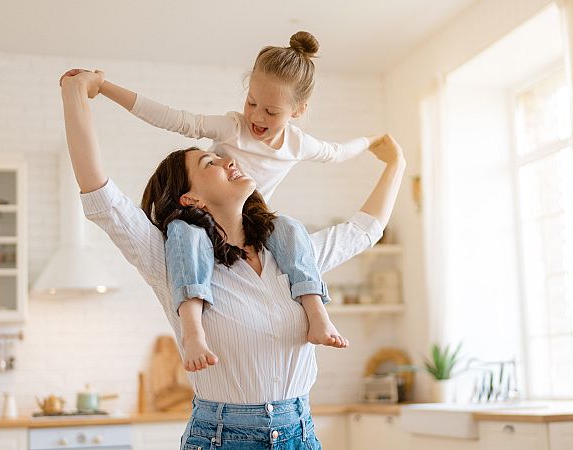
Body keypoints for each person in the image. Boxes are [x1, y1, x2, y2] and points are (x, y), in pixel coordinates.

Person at [60, 68, 404, 449]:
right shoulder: (173, 260)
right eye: (210, 163)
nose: (229, 161)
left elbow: (361, 231)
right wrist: (76, 92)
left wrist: (396, 165)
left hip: (300, 434)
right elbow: (101, 197)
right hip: (222, 438)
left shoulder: (289, 254)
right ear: (191, 199)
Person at [60, 31, 384, 372]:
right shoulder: (233, 128)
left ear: (298, 111)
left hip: (253, 220)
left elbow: (338, 155)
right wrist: (102, 87)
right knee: (185, 234)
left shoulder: (297, 146)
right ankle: (192, 330)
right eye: (251, 103)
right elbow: (173, 118)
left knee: (289, 227)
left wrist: (372, 142)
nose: (257, 117)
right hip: (205, 223)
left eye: (271, 111)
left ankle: (317, 313)